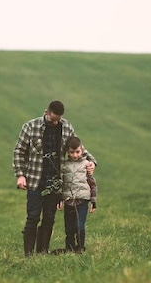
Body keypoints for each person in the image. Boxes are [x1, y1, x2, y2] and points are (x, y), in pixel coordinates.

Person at [13, 100, 97, 257]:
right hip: (35, 179)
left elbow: (78, 147)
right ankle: (28, 254)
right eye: (53, 119)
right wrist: (20, 175)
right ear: (46, 112)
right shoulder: (30, 127)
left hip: (55, 182)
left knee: (49, 218)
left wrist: (91, 162)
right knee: (33, 217)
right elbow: (19, 150)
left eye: (58, 119)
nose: (56, 122)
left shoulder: (66, 127)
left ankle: (42, 251)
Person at [58, 136, 97, 253]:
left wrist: (93, 201)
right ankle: (69, 248)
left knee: (79, 226)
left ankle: (80, 248)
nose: (75, 155)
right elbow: (61, 183)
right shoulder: (64, 165)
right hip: (69, 200)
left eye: (77, 152)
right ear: (67, 151)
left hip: (83, 200)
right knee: (69, 228)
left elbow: (93, 183)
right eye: (72, 152)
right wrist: (59, 199)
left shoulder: (87, 165)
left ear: (82, 150)